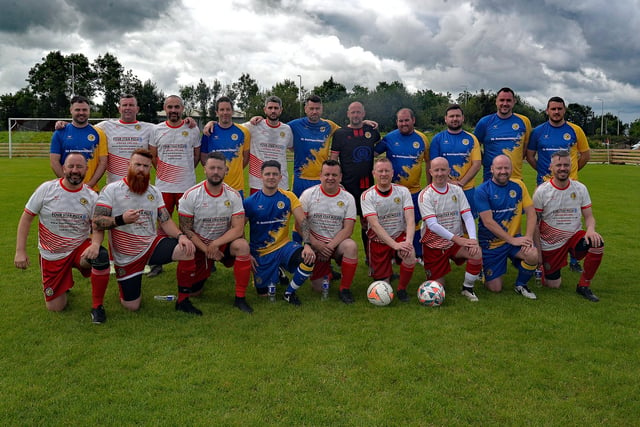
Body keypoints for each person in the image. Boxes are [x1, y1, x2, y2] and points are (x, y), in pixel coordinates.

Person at [92, 149, 196, 312]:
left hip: (151, 245)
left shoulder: (154, 192)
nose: (141, 169)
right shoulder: (111, 190)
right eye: (137, 165)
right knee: (132, 306)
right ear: (128, 165)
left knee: (187, 250)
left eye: (146, 166)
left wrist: (181, 236)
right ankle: (126, 286)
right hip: (127, 257)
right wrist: (121, 220)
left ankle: (183, 301)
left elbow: (165, 220)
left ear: (150, 169)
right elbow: (97, 222)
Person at [15, 152, 111, 322]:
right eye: (71, 166)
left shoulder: (91, 196)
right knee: (56, 308)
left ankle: (97, 306)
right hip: (52, 253)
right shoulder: (47, 189)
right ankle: (64, 282)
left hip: (78, 249)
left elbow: (97, 227)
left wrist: (96, 244)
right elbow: (27, 217)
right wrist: (20, 251)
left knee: (101, 256)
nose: (75, 170)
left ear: (86, 170)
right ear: (64, 168)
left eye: (79, 167)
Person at [176, 152, 254, 314]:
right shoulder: (191, 195)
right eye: (212, 168)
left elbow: (238, 228)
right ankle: (200, 274)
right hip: (199, 245)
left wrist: (215, 244)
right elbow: (186, 229)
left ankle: (240, 298)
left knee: (242, 246)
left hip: (222, 243)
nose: (216, 172)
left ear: (226, 170)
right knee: (195, 293)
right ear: (205, 169)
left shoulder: (233, 195)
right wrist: (207, 249)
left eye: (220, 168)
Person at [527, 96, 591, 273]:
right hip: (544, 185)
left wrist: (570, 173)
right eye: (553, 109)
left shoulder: (575, 130)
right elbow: (530, 156)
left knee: (572, 220)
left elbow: (585, 156)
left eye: (559, 109)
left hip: (570, 186)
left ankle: (574, 258)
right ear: (547, 110)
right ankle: (542, 253)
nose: (556, 112)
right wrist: (542, 171)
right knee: (541, 222)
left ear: (564, 110)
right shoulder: (538, 132)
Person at [533, 150, 603, 302]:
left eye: (566, 165)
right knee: (553, 285)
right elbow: (535, 225)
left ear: (571, 166)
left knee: (597, 243)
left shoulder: (580, 188)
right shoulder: (542, 191)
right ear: (551, 167)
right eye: (559, 165)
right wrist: (538, 252)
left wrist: (590, 230)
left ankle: (583, 285)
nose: (562, 168)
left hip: (574, 238)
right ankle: (542, 268)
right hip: (551, 243)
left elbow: (589, 217)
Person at [243, 160, 316, 305]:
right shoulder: (250, 202)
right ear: (261, 176)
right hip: (261, 253)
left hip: (283, 247)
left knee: (308, 258)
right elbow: (239, 230)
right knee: (263, 294)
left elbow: (303, 221)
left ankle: (289, 293)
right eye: (268, 174)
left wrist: (307, 244)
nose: (271, 177)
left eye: (275, 174)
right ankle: (277, 271)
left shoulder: (289, 197)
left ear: (280, 177)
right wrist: (247, 254)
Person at [148, 95, 201, 277]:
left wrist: (184, 172)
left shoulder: (192, 129)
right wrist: (166, 173)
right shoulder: (156, 130)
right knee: (162, 224)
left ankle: (198, 257)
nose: (173, 110)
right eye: (170, 107)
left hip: (186, 187)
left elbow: (195, 157)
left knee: (190, 224)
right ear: (165, 109)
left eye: (176, 107)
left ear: (182, 108)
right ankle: (157, 262)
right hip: (163, 187)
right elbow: (153, 156)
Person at [418, 157, 482, 301]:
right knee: (437, 287)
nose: (440, 173)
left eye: (443, 170)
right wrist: (458, 239)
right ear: (430, 172)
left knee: (476, 252)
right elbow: (432, 225)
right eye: (436, 170)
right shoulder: (425, 195)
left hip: (454, 243)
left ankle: (467, 288)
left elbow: (467, 215)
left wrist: (472, 239)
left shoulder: (457, 190)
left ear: (449, 171)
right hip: (433, 246)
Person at [475, 155, 538, 299]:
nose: (503, 171)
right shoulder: (482, 190)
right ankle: (484, 269)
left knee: (533, 254)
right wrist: (512, 240)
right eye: (499, 168)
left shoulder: (519, 186)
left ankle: (521, 284)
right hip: (492, 244)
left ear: (511, 169)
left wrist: (528, 237)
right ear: (492, 169)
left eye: (506, 168)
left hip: (513, 240)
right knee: (495, 288)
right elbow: (488, 222)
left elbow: (531, 213)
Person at [299, 160, 359, 304]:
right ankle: (328, 273)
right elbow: (300, 225)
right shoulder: (308, 195)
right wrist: (316, 245)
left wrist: (330, 246)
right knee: (319, 288)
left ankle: (344, 289)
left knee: (351, 246)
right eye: (327, 174)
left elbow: (348, 228)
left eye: (334, 175)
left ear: (340, 177)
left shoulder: (348, 198)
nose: (330, 178)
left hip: (336, 244)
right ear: (320, 176)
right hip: (315, 244)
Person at [374, 107, 430, 260]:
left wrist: (430, 187)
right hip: (393, 192)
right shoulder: (389, 138)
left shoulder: (422, 138)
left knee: (415, 222)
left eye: (406, 120)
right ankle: (391, 253)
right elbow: (371, 153)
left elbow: (429, 163)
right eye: (400, 121)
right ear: (396, 122)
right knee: (392, 222)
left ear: (413, 120)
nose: (404, 123)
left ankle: (417, 253)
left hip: (414, 191)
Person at [360, 157, 417, 302]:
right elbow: (375, 226)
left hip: (399, 235)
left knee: (410, 254)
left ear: (392, 173)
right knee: (382, 285)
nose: (383, 174)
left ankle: (402, 289)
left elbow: (410, 220)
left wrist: (408, 243)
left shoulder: (403, 191)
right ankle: (386, 274)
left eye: (387, 171)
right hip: (378, 240)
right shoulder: (367, 195)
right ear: (374, 173)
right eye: (380, 171)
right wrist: (394, 245)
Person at [330, 101, 381, 259]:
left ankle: (370, 258)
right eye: (353, 112)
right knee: (341, 224)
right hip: (346, 187)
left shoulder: (371, 131)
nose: (356, 115)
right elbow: (333, 159)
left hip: (367, 187)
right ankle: (338, 257)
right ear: (348, 114)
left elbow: (377, 151)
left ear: (363, 114)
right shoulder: (340, 133)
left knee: (368, 224)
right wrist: (335, 181)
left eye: (358, 112)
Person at [429, 104, 481, 216]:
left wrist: (461, 184)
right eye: (451, 116)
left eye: (458, 116)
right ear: (445, 119)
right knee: (444, 222)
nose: (455, 119)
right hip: (443, 189)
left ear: (463, 118)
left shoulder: (471, 138)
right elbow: (434, 165)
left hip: (466, 189)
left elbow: (476, 164)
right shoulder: (437, 139)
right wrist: (450, 183)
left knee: (467, 223)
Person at [49, 95, 107, 189]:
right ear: (71, 110)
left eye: (84, 110)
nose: (81, 113)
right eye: (77, 110)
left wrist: (89, 185)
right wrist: (68, 184)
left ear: (89, 111)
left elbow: (103, 162)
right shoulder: (59, 133)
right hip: (65, 190)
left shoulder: (99, 133)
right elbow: (54, 161)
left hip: (90, 189)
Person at [474, 87, 531, 182]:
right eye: (502, 100)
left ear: (514, 102)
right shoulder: (484, 122)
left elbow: (525, 148)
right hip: (490, 178)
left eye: (508, 100)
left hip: (515, 179)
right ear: (496, 101)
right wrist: (486, 160)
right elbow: (475, 148)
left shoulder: (524, 121)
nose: (505, 103)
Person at [200, 96, 250, 196]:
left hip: (236, 187)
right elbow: (203, 159)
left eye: (228, 109)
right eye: (222, 110)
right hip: (214, 186)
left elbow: (245, 158)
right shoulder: (209, 132)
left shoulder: (243, 132)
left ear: (232, 111)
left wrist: (234, 170)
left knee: (237, 212)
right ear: (217, 112)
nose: (225, 113)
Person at [242, 95, 293, 194]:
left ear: (281, 110)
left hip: (281, 183)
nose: (273, 111)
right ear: (265, 110)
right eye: (270, 108)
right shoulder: (254, 125)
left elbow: (292, 147)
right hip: (258, 183)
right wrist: (212, 123)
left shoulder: (287, 129)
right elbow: (232, 127)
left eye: (276, 108)